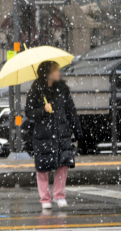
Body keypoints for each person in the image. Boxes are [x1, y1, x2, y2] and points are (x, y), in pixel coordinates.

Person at [25, 61, 83, 210]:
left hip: (61, 134)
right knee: (43, 168)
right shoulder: (36, 90)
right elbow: (29, 113)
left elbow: (71, 111)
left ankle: (59, 195)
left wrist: (78, 131)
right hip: (43, 135)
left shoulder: (62, 90)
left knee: (63, 165)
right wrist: (43, 110)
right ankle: (45, 198)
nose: (59, 72)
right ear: (48, 73)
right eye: (55, 70)